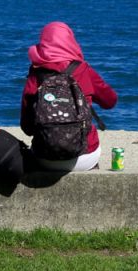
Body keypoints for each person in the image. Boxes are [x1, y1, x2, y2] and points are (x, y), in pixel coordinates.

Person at [20, 21, 117, 172]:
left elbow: (27, 128)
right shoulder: (83, 69)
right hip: (85, 155)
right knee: (91, 153)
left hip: (45, 157)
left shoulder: (35, 74)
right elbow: (110, 101)